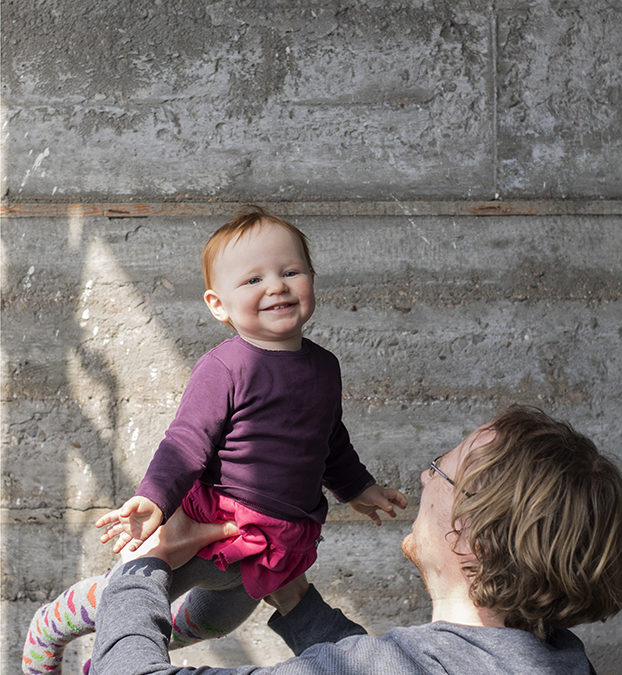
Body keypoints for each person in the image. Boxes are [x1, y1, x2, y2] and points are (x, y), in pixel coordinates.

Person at [22, 205, 406, 674]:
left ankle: (104, 664)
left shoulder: (325, 366)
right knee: (139, 594)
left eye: (290, 271)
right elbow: (185, 443)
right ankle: (51, 624)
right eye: (252, 280)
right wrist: (154, 500)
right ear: (217, 304)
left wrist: (358, 489)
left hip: (278, 541)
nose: (277, 286)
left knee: (213, 623)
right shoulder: (226, 366)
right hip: (215, 524)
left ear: (311, 279)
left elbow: (330, 439)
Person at [90, 405, 622, 674]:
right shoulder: (563, 661)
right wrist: (296, 600)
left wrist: (144, 568)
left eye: (439, 471)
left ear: (478, 538)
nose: (424, 479)